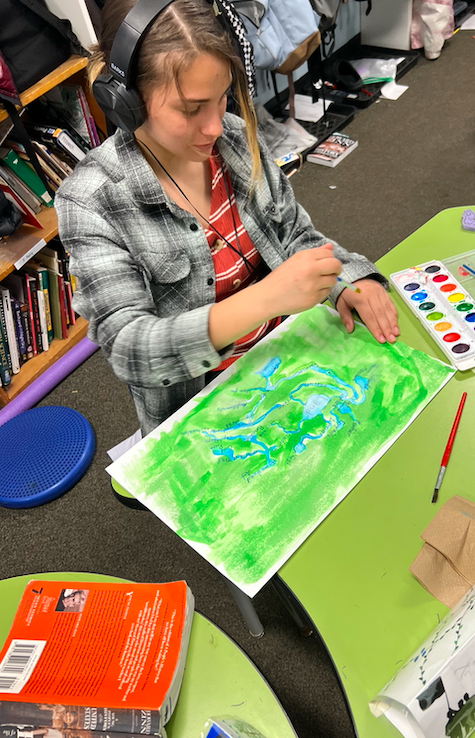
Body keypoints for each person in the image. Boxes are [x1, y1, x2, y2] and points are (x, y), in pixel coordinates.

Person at [55, 0, 399, 437]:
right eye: (191, 109)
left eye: (222, 99)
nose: (215, 126)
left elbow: (293, 233)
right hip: (204, 410)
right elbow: (131, 350)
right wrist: (267, 298)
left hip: (290, 358)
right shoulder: (91, 201)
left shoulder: (233, 138)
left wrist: (348, 280)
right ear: (127, 101)